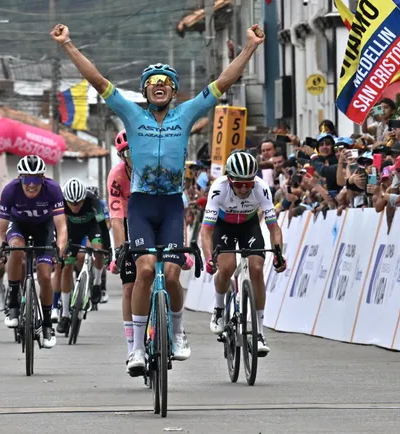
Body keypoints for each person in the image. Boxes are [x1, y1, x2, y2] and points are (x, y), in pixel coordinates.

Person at [51, 22, 265, 375]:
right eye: (153, 84)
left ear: (175, 92)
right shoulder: (132, 114)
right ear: (145, 91)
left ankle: (178, 334)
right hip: (141, 205)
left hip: (170, 206)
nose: (159, 88)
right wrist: (68, 44)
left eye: (166, 84)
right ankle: (135, 349)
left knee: (172, 272)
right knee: (146, 270)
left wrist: (250, 47)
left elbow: (224, 82)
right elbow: (97, 80)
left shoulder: (186, 113)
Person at [200, 151, 287, 356]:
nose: (243, 188)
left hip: (248, 225)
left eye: (247, 184)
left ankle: (259, 332)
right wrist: (209, 258)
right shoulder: (218, 189)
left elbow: (274, 228)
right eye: (238, 184)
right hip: (224, 226)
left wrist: (278, 254)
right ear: (229, 180)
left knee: (257, 269)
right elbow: (206, 231)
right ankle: (219, 308)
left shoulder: (261, 188)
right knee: (227, 266)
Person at [0, 155, 67, 349]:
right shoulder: (10, 190)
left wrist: (60, 250)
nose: (32, 185)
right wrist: (1, 249)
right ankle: (13, 304)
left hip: (44, 229)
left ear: (43, 179)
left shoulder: (52, 190)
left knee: (45, 275)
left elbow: (61, 227)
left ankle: (46, 325)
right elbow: (0, 230)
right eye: (28, 179)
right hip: (18, 226)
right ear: (21, 179)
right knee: (16, 249)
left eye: (36, 179)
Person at [54, 177, 111, 336]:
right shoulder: (61, 203)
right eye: (71, 204)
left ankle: (97, 283)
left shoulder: (93, 200)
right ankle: (64, 314)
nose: (75, 207)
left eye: (78, 203)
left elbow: (103, 227)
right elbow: (59, 229)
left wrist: (109, 248)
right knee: (66, 268)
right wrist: (59, 250)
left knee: (98, 249)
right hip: (72, 231)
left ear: (84, 198)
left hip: (93, 227)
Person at [107, 130, 137, 368]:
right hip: (127, 221)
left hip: (149, 218)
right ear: (121, 155)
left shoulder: (151, 168)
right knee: (128, 286)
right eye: (127, 153)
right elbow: (117, 218)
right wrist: (120, 251)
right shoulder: (117, 175)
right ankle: (131, 347)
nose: (132, 156)